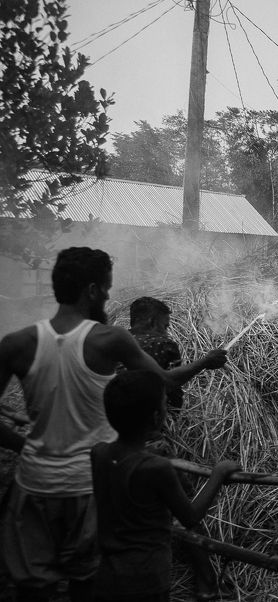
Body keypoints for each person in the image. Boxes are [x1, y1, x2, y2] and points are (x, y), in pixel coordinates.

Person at [0, 247, 227, 602]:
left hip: (32, 487)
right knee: (86, 586)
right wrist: (205, 362)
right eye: (105, 288)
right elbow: (166, 382)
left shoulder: (16, 343)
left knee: (32, 590)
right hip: (89, 486)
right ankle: (208, 583)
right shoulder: (110, 340)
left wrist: (27, 447)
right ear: (91, 290)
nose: (108, 295)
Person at [91, 370, 240, 602]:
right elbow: (190, 517)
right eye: (164, 403)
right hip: (146, 576)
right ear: (156, 416)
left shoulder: (98, 453)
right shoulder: (156, 468)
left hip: (105, 571)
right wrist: (218, 474)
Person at [128, 297, 233, 599]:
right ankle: (206, 580)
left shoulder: (117, 343)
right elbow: (172, 392)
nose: (168, 328)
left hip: (117, 435)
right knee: (184, 505)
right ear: (152, 320)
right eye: (165, 322)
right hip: (150, 439)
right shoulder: (163, 345)